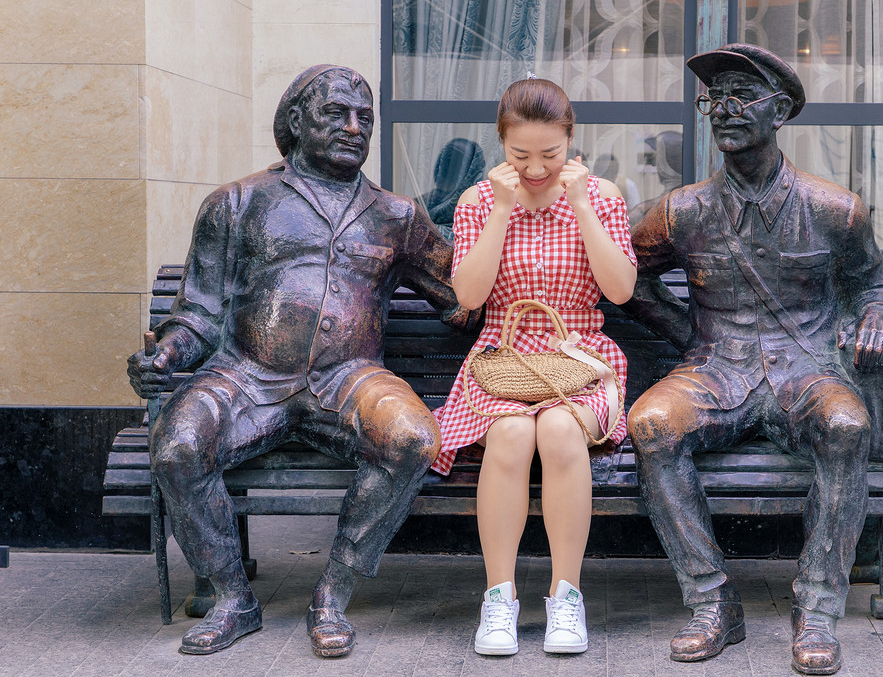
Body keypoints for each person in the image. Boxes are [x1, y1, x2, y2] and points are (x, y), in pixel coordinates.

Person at [126, 65, 474, 659]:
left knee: (415, 438)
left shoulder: (396, 215)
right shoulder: (237, 203)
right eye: (336, 114)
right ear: (295, 120)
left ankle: (331, 596)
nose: (354, 127)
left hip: (350, 378)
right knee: (178, 444)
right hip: (245, 376)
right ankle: (233, 597)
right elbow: (200, 313)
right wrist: (165, 352)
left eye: (365, 117)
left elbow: (462, 295)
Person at [623, 44, 883, 675]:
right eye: (714, 98)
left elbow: (875, 286)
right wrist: (686, 332)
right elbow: (628, 280)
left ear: (780, 111)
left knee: (847, 426)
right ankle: (711, 601)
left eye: (741, 96)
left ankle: (819, 609)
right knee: (651, 424)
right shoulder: (682, 211)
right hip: (715, 369)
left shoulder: (835, 209)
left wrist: (878, 318)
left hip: (806, 369)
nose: (724, 110)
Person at [433, 77, 637, 656]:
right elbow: (469, 297)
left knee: (557, 428)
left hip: (581, 356)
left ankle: (565, 596)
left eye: (550, 154)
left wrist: (578, 204)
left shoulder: (601, 196)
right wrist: (500, 209)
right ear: (502, 145)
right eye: (521, 155)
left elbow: (620, 291)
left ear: (571, 141)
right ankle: (498, 598)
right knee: (514, 433)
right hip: (503, 355)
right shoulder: (478, 201)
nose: (536, 168)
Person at [421, 137, 486, 241]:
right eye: (446, 162)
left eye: (456, 162)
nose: (446, 170)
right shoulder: (421, 204)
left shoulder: (485, 205)